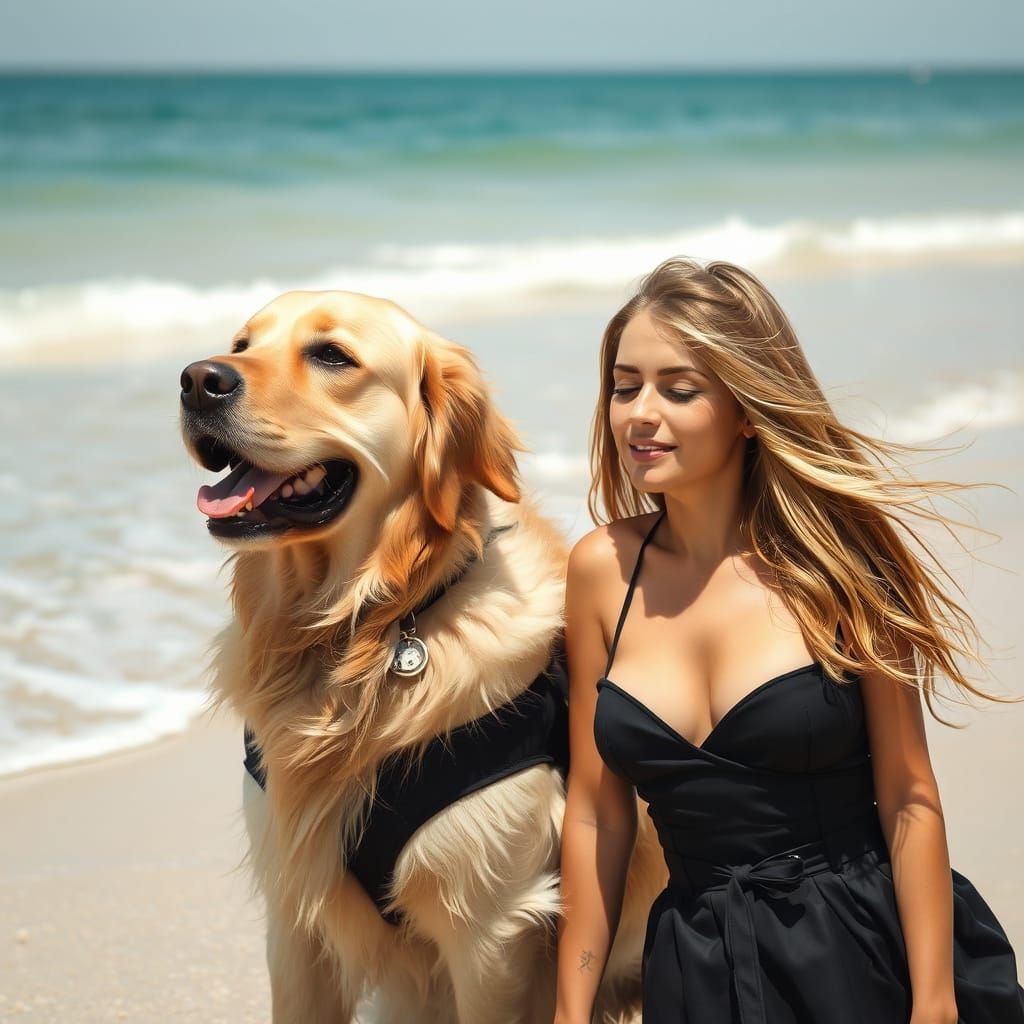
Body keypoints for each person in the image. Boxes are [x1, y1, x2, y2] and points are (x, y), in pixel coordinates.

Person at [554, 257, 1024, 1024]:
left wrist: (935, 1001)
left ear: (747, 407)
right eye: (625, 386)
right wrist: (570, 1009)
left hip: (858, 953)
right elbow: (595, 813)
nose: (641, 413)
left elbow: (908, 793)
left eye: (679, 389)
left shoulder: (840, 564)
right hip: (697, 967)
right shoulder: (601, 572)